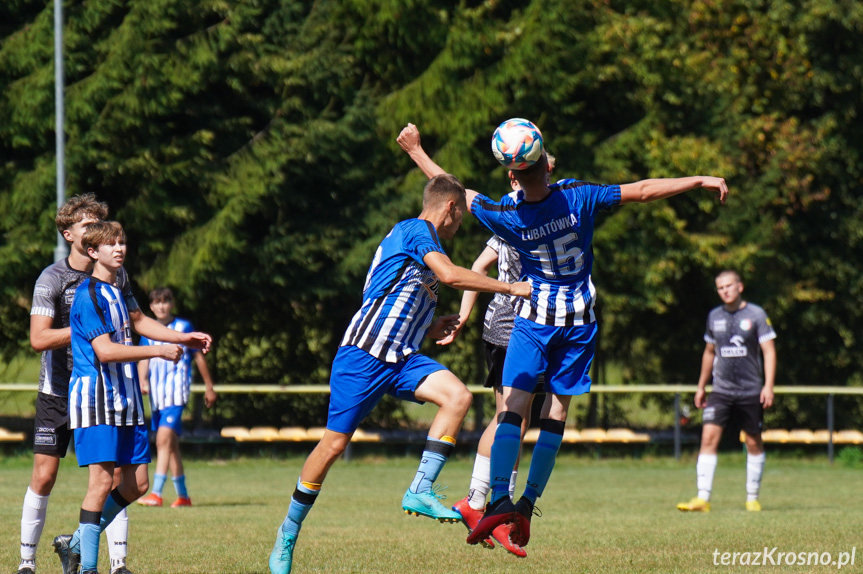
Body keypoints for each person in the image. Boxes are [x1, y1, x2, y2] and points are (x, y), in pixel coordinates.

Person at [397, 120, 728, 549]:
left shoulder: (507, 216)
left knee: (512, 411)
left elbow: (456, 195)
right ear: (546, 166)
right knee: (555, 414)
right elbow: (643, 190)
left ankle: (498, 499)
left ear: (512, 174)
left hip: (534, 319)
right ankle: (527, 503)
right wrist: (699, 178)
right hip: (579, 321)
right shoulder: (579, 195)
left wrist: (417, 151)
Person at [268, 173, 531, 574]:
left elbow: (395, 293)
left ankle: (420, 489)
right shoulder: (414, 230)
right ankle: (288, 531)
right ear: (451, 207)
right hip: (362, 355)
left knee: (457, 397)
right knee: (333, 447)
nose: (460, 226)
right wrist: (511, 288)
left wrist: (430, 326)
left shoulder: (423, 244)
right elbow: (449, 274)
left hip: (402, 358)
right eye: (460, 218)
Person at [402, 136, 559, 557]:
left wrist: (468, 313)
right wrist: (418, 154)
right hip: (516, 324)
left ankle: (488, 503)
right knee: (512, 418)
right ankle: (480, 503)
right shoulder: (521, 208)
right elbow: (455, 197)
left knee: (515, 420)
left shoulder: (522, 208)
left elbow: (474, 254)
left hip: (514, 324)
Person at [53, 221, 212, 574]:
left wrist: (182, 338)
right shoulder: (88, 296)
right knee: (100, 482)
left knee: (137, 483)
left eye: (122, 241)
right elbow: (106, 351)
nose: (119, 248)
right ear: (93, 252)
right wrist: (157, 352)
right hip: (96, 401)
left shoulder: (120, 283)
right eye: (111, 244)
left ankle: (75, 544)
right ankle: (88, 568)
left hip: (126, 402)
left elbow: (139, 321)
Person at [17, 194, 137, 574]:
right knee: (44, 475)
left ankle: (116, 562)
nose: (96, 232)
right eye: (88, 225)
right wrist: (88, 330)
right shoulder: (52, 278)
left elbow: (134, 320)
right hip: (58, 390)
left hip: (104, 391)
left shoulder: (116, 275)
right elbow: (38, 339)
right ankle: (26, 562)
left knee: (115, 475)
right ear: (70, 234)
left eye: (99, 224)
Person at [677, 269, 776, 513]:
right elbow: (709, 353)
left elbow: (769, 351)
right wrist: (701, 386)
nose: (725, 291)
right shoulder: (714, 317)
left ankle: (752, 496)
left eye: (729, 286)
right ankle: (703, 498)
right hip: (721, 390)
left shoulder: (756, 314)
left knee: (753, 441)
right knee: (708, 437)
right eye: (720, 288)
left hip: (750, 390)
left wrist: (768, 386)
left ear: (740, 287)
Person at [136, 287, 217, 508]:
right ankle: (183, 496)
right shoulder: (148, 331)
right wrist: (142, 380)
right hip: (157, 397)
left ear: (171, 304)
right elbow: (144, 358)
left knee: (162, 440)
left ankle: (156, 493)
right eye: (157, 302)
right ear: (151, 306)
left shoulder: (183, 328)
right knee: (171, 447)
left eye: (165, 301)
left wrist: (209, 386)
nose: (161, 306)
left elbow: (199, 358)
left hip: (175, 395)